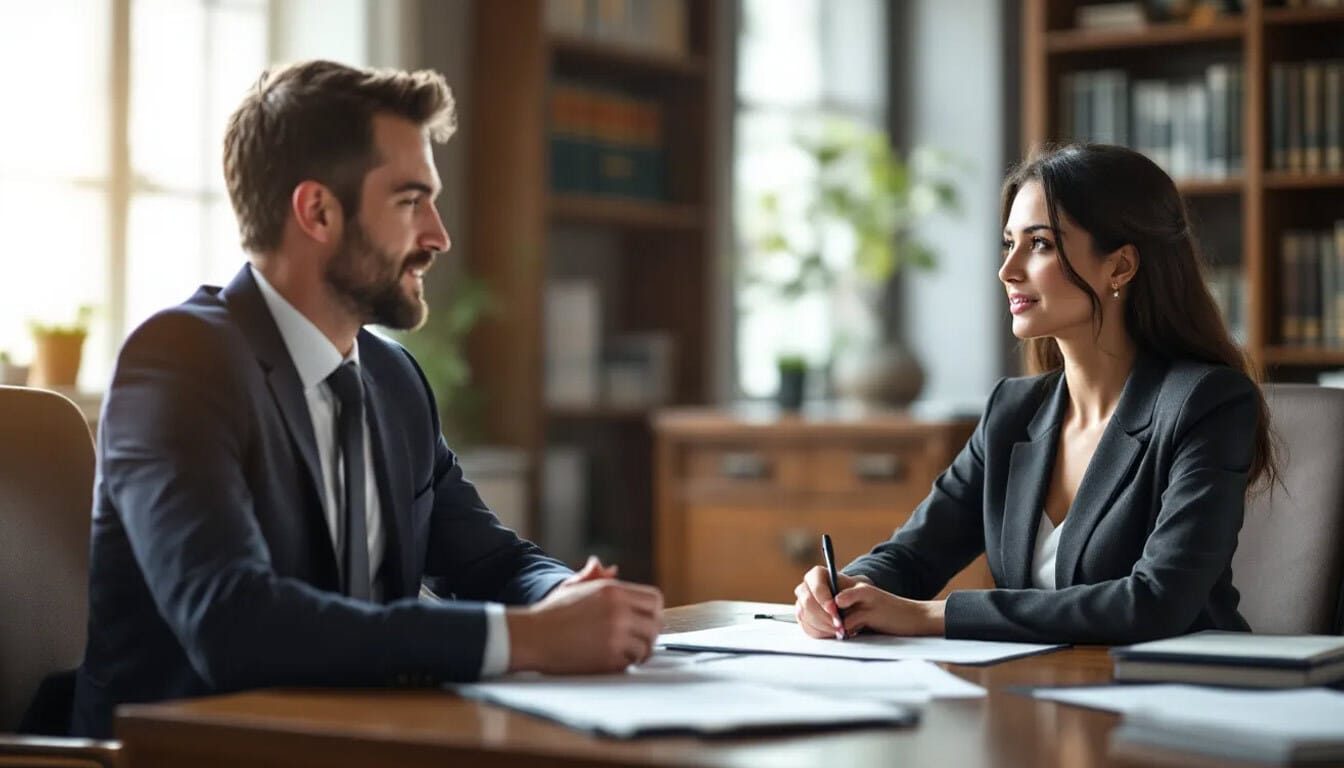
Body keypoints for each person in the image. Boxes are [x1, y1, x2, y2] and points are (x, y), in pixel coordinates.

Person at [71, 60, 662, 738]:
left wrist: (567, 597)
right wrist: (527, 640)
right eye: (411, 201)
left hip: (359, 742)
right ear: (317, 210)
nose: (438, 235)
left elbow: (493, 561)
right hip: (189, 754)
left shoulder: (394, 381)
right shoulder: (179, 363)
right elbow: (232, 623)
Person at [794, 143, 1276, 646]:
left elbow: (1156, 601)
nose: (1008, 270)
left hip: (1184, 698)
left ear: (1120, 266)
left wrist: (931, 616)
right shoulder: (1013, 411)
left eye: (1040, 244)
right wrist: (846, 588)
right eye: (1009, 244)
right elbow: (914, 554)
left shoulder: (1207, 403)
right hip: (1043, 695)